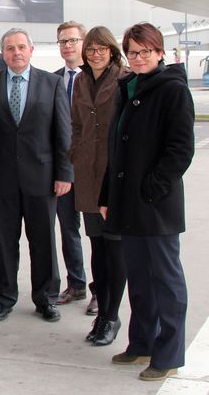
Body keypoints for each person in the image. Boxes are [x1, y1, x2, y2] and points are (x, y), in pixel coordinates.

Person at [101, 22, 194, 382]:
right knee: (139, 278)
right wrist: (108, 194)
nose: (138, 58)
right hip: (128, 204)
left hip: (155, 205)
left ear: (160, 53)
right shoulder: (128, 87)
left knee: (166, 281)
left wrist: (151, 188)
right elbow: (116, 149)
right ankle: (142, 343)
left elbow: (180, 150)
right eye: (133, 52)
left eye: (145, 51)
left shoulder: (172, 90)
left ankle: (168, 353)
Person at [0, 28, 72, 323]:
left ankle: (46, 298)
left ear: (31, 50)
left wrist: (64, 173)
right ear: (3, 52)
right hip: (2, 180)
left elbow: (63, 134)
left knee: (43, 241)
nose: (16, 53)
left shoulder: (52, 83)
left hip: (43, 179)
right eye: (10, 48)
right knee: (5, 242)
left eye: (21, 47)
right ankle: (5, 297)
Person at [69, 26, 130, 347]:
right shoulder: (79, 80)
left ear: (111, 50)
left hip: (113, 175)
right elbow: (75, 123)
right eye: (90, 49)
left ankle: (111, 316)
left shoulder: (124, 79)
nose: (95, 53)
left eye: (101, 48)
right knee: (97, 245)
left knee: (114, 246)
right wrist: (75, 150)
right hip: (87, 175)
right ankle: (102, 311)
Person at [53, 21, 89, 310]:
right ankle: (76, 284)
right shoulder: (53, 80)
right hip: (64, 170)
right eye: (63, 41)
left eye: (73, 40)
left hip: (92, 172)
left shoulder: (97, 78)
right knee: (68, 231)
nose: (67, 46)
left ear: (84, 43)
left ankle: (102, 291)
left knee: (100, 236)